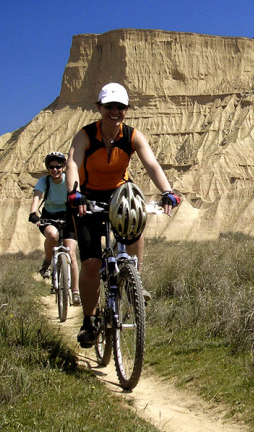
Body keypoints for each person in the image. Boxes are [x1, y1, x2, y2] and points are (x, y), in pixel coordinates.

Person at [65, 82, 180, 348]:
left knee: (136, 218)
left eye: (120, 107)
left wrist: (167, 191)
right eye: (109, 107)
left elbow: (151, 163)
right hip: (86, 198)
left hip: (118, 196)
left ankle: (134, 280)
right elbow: (73, 163)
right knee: (92, 263)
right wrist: (74, 193)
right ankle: (89, 320)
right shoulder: (85, 135)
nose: (114, 112)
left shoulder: (132, 136)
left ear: (126, 110)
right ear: (99, 108)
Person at [29, 152, 81, 306]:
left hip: (68, 216)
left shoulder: (68, 180)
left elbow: (76, 193)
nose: (55, 170)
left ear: (63, 167)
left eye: (58, 167)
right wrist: (33, 213)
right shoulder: (44, 181)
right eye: (51, 167)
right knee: (52, 235)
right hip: (49, 216)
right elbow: (37, 197)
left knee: (71, 254)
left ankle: (76, 292)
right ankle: (46, 263)